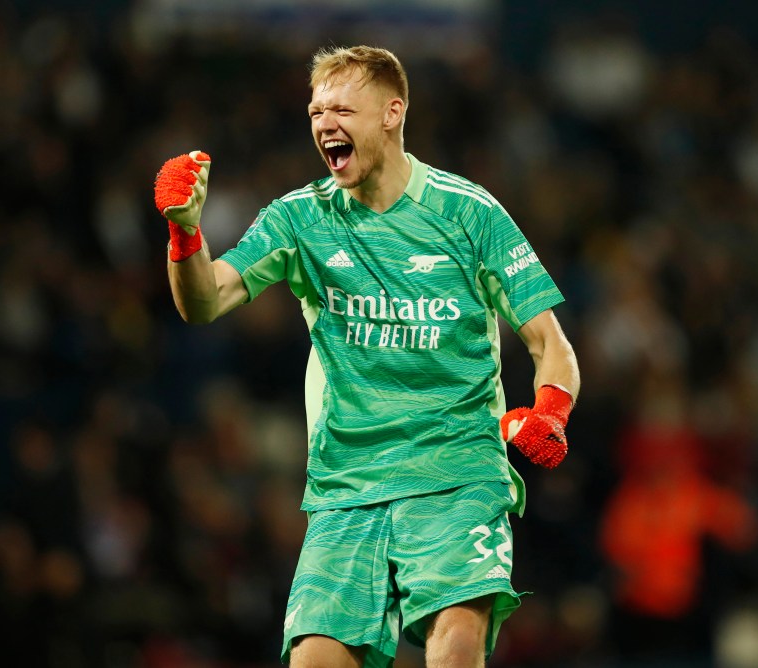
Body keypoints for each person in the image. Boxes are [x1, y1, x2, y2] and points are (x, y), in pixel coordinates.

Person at [153, 45, 580, 668]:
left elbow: (551, 344)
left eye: (342, 108)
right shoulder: (299, 219)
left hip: (455, 473)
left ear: (392, 112)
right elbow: (205, 302)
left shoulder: (470, 213)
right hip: (346, 486)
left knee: (455, 647)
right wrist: (185, 234)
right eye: (315, 110)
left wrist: (551, 410)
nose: (325, 122)